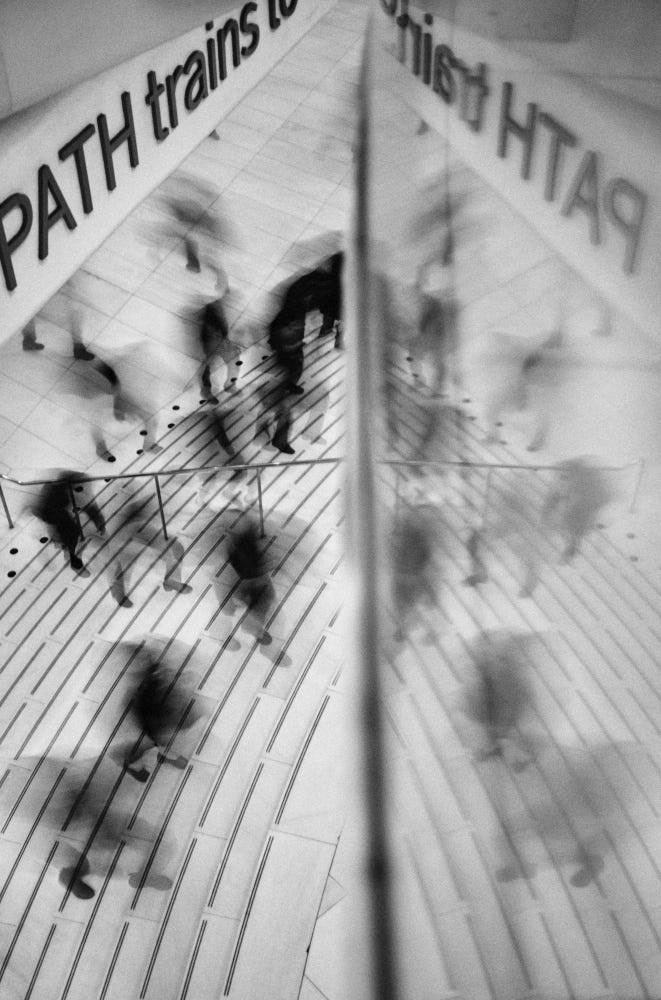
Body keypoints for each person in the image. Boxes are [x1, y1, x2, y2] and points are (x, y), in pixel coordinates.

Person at [122, 640, 200, 782]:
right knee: (149, 742)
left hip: (160, 718)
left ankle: (162, 754)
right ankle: (135, 763)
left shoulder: (156, 674)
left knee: (160, 739)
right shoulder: (143, 692)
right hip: (154, 721)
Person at [109, 501, 192, 607]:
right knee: (174, 548)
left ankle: (118, 591)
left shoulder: (135, 526)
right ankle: (171, 579)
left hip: (125, 539)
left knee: (126, 560)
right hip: (130, 535)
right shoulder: (137, 525)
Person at [33, 470, 105, 574]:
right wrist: (99, 522)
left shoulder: (65, 484)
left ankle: (66, 546)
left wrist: (99, 521)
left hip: (51, 508)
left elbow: (89, 506)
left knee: (68, 532)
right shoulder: (70, 491)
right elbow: (89, 507)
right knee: (71, 533)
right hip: (50, 510)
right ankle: (74, 560)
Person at [226, 517, 275, 645]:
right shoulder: (244, 545)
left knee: (258, 600)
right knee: (261, 600)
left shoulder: (239, 547)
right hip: (251, 576)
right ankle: (253, 628)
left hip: (249, 576)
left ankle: (254, 628)